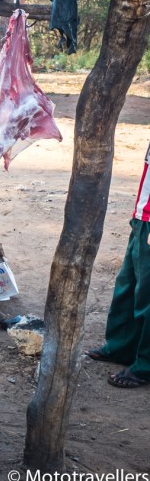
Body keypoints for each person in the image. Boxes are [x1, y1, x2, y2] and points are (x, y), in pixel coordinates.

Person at [85, 141, 150, 388]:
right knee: (127, 285)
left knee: (147, 298)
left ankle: (145, 366)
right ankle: (121, 347)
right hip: (143, 217)